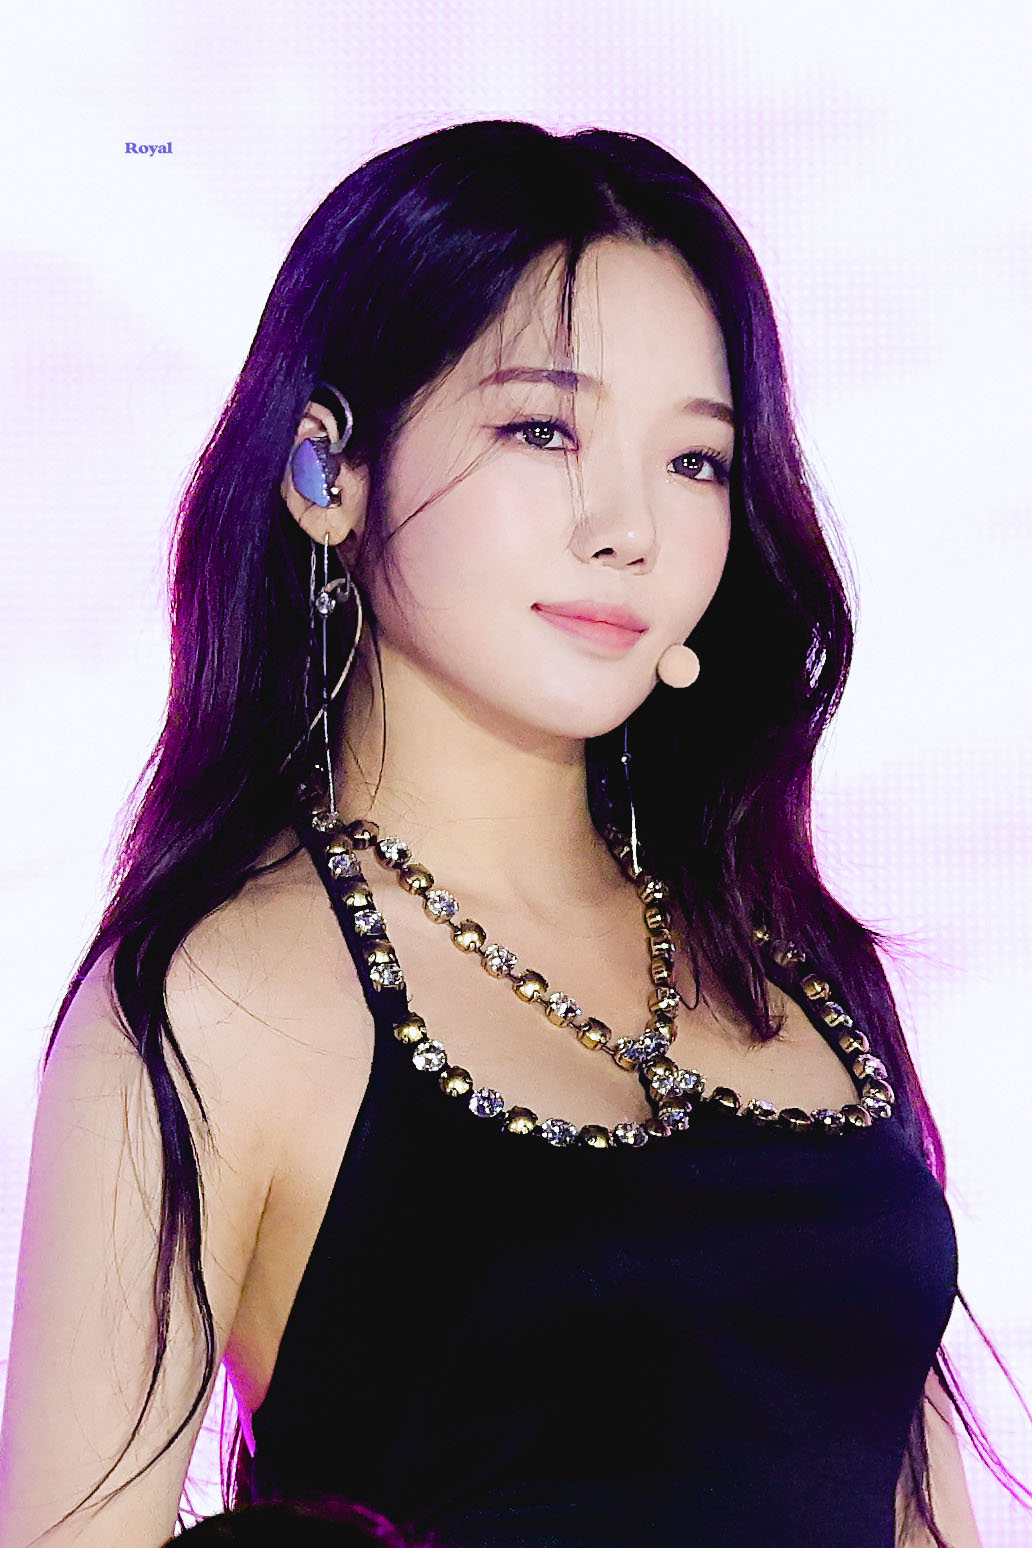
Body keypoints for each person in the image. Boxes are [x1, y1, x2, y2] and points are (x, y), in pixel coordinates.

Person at [0, 117, 1009, 1548]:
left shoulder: (798, 965)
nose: (630, 528)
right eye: (544, 429)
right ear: (327, 473)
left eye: (697, 461)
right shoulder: (216, 998)